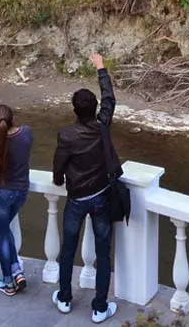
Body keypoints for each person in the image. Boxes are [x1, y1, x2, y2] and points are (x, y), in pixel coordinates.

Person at [52, 53, 121, 323]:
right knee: (103, 253)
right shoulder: (102, 125)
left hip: (76, 200)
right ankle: (100, 307)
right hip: (102, 196)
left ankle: (64, 298)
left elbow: (59, 166)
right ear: (94, 109)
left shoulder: (66, 135)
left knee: (68, 250)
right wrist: (101, 67)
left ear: (74, 111)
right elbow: (109, 98)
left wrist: (58, 180)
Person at [0, 103, 33, 296]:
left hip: (3, 193)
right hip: (21, 191)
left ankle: (8, 282)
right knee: (5, 230)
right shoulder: (27, 133)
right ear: (14, 118)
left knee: (2, 232)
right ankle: (16, 271)